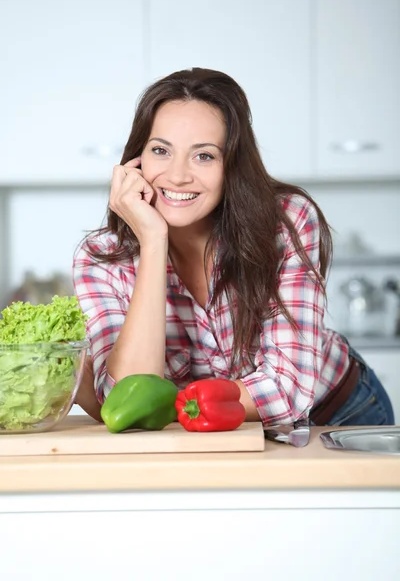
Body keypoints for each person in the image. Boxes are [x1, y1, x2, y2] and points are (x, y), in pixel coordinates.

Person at [72, 67, 394, 428]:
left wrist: (166, 407)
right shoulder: (101, 257)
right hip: (213, 427)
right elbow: (126, 404)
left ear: (232, 165)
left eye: (204, 156)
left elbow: (285, 392)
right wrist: (152, 241)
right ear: (136, 160)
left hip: (336, 412)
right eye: (161, 150)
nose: (177, 175)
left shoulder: (287, 220)